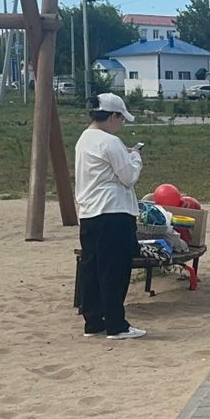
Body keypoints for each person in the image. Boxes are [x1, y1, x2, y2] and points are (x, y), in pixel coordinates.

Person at [74, 92, 146, 340]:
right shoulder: (111, 142)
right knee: (114, 270)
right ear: (113, 116)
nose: (122, 123)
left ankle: (93, 321)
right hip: (114, 212)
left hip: (89, 213)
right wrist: (135, 157)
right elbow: (128, 176)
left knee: (92, 267)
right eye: (121, 118)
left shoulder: (84, 139)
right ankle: (117, 325)